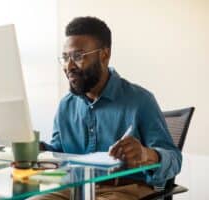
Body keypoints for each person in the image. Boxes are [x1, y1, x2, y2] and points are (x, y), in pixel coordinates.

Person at [32, 16, 182, 200]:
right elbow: (59, 150)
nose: (69, 66)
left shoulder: (140, 100)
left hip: (125, 190)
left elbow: (174, 159)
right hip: (72, 189)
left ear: (104, 55)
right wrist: (36, 147)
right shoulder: (66, 105)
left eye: (78, 57)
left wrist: (146, 154)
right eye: (65, 57)